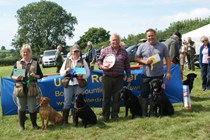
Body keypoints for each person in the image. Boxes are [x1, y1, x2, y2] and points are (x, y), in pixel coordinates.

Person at [135, 28, 171, 117]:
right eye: (149, 36)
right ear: (146, 37)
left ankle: (153, 113)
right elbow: (136, 58)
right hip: (146, 75)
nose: (151, 37)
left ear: (155, 35)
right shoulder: (142, 46)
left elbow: (168, 59)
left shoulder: (162, 46)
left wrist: (168, 72)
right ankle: (144, 113)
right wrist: (145, 62)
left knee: (157, 95)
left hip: (158, 75)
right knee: (143, 95)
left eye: (152, 35)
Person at [97, 33, 132, 122]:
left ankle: (114, 114)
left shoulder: (124, 52)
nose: (115, 42)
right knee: (106, 97)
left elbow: (127, 65)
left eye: (116, 40)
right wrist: (102, 67)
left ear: (119, 41)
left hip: (119, 78)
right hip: (107, 77)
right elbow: (99, 61)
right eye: (113, 40)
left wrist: (129, 75)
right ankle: (106, 115)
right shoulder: (105, 50)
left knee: (117, 97)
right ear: (110, 41)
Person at [11, 44, 43, 131]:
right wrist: (16, 78)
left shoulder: (35, 63)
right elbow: (12, 76)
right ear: (21, 53)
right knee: (21, 108)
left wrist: (35, 75)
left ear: (30, 53)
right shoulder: (17, 63)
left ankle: (34, 125)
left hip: (32, 88)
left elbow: (41, 75)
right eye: (24, 52)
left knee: (32, 107)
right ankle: (22, 126)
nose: (25, 53)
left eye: (27, 52)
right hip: (20, 88)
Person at [60, 44, 90, 125]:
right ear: (71, 52)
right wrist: (66, 71)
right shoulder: (66, 61)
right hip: (68, 83)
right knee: (67, 102)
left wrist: (82, 75)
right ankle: (65, 121)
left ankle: (74, 119)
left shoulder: (83, 61)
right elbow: (61, 73)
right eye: (75, 51)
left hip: (79, 84)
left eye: (78, 51)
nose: (76, 53)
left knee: (77, 102)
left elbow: (88, 73)